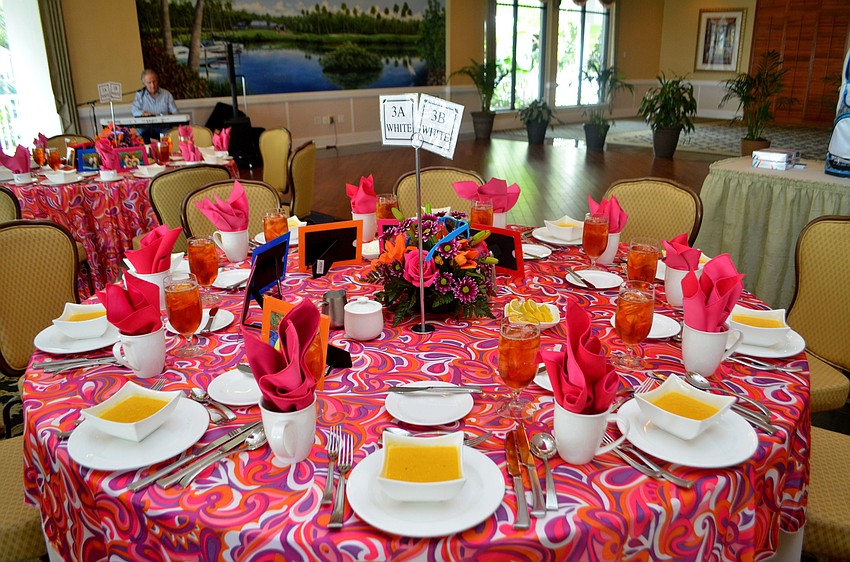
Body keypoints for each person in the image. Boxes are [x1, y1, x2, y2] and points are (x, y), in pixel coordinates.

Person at [131, 69, 178, 142]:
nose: (152, 85)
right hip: (145, 128)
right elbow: (134, 111)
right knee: (139, 136)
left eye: (154, 81)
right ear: (144, 84)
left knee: (168, 136)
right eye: (149, 83)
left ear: (157, 81)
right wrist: (143, 113)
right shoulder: (139, 95)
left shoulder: (166, 94)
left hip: (163, 128)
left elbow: (175, 112)